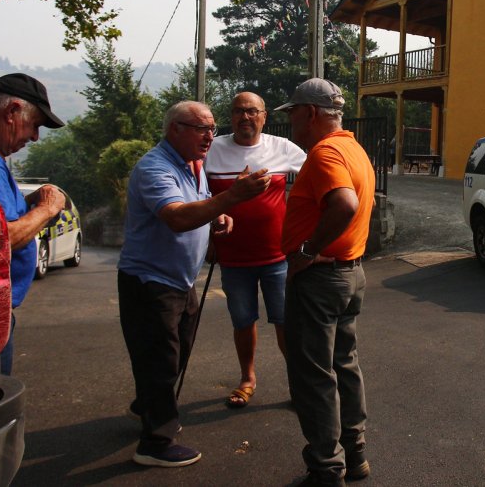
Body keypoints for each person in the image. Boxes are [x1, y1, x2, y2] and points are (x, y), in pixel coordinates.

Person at [117, 101, 270, 468]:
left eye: (213, 129)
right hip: (150, 281)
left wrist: (219, 217)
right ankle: (155, 443)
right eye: (201, 129)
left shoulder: (192, 166)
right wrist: (232, 196)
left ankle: (149, 402)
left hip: (180, 281)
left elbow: (199, 205)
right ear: (175, 129)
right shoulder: (155, 167)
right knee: (161, 359)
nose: (209, 136)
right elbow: (175, 217)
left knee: (176, 352)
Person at [277, 79, 376, 487]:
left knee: (314, 376)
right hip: (349, 274)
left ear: (311, 113)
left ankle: (326, 468)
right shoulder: (352, 147)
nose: (292, 122)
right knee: (344, 365)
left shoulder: (325, 153)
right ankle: (354, 456)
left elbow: (344, 203)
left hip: (319, 278)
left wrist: (305, 249)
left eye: (294, 113)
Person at [205, 91, 306, 408]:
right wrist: (207, 235)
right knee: (242, 321)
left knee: (285, 322)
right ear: (230, 116)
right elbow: (195, 194)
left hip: (278, 255)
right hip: (233, 257)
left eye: (252, 111)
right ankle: (247, 379)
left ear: (264, 116)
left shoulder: (283, 147)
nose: (244, 117)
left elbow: (316, 180)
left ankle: (298, 386)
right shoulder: (213, 150)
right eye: (238, 111)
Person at [0, 73, 68, 376]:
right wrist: (47, 209)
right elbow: (0, 239)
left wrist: (29, 203)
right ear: (11, 112)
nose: (35, 137)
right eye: (34, 124)